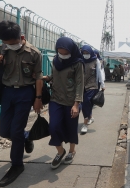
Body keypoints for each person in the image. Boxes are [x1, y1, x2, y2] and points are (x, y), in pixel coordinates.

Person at [0, 20, 43, 187]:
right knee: (4, 130)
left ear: (20, 37)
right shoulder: (3, 48)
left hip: (24, 93)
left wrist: (38, 99)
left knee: (15, 131)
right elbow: (3, 68)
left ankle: (17, 165)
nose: (8, 46)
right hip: (7, 92)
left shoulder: (34, 53)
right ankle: (26, 137)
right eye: (5, 43)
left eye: (12, 43)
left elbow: (38, 78)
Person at [42, 37, 84, 169]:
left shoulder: (78, 63)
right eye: (60, 53)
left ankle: (72, 151)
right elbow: (55, 75)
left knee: (71, 127)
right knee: (53, 127)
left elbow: (79, 84)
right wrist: (47, 78)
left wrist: (76, 104)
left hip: (72, 101)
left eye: (65, 53)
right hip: (56, 99)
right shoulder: (56, 60)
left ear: (71, 51)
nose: (63, 56)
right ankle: (60, 151)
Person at [80, 45, 104, 133]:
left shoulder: (96, 61)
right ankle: (90, 116)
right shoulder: (80, 61)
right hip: (82, 85)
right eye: (84, 53)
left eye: (87, 53)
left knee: (86, 101)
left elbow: (100, 73)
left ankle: (85, 124)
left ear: (91, 52)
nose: (85, 54)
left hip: (92, 85)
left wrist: (102, 84)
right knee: (87, 103)